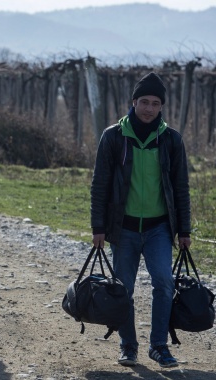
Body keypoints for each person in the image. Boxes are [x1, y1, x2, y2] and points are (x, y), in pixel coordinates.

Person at [90, 72, 191, 368]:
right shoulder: (113, 137)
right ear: (133, 102)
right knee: (124, 289)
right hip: (124, 229)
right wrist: (98, 227)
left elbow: (181, 187)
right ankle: (128, 346)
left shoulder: (171, 140)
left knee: (164, 282)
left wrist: (184, 230)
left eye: (155, 103)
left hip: (160, 228)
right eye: (144, 101)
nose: (148, 108)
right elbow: (100, 185)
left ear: (161, 107)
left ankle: (159, 346)